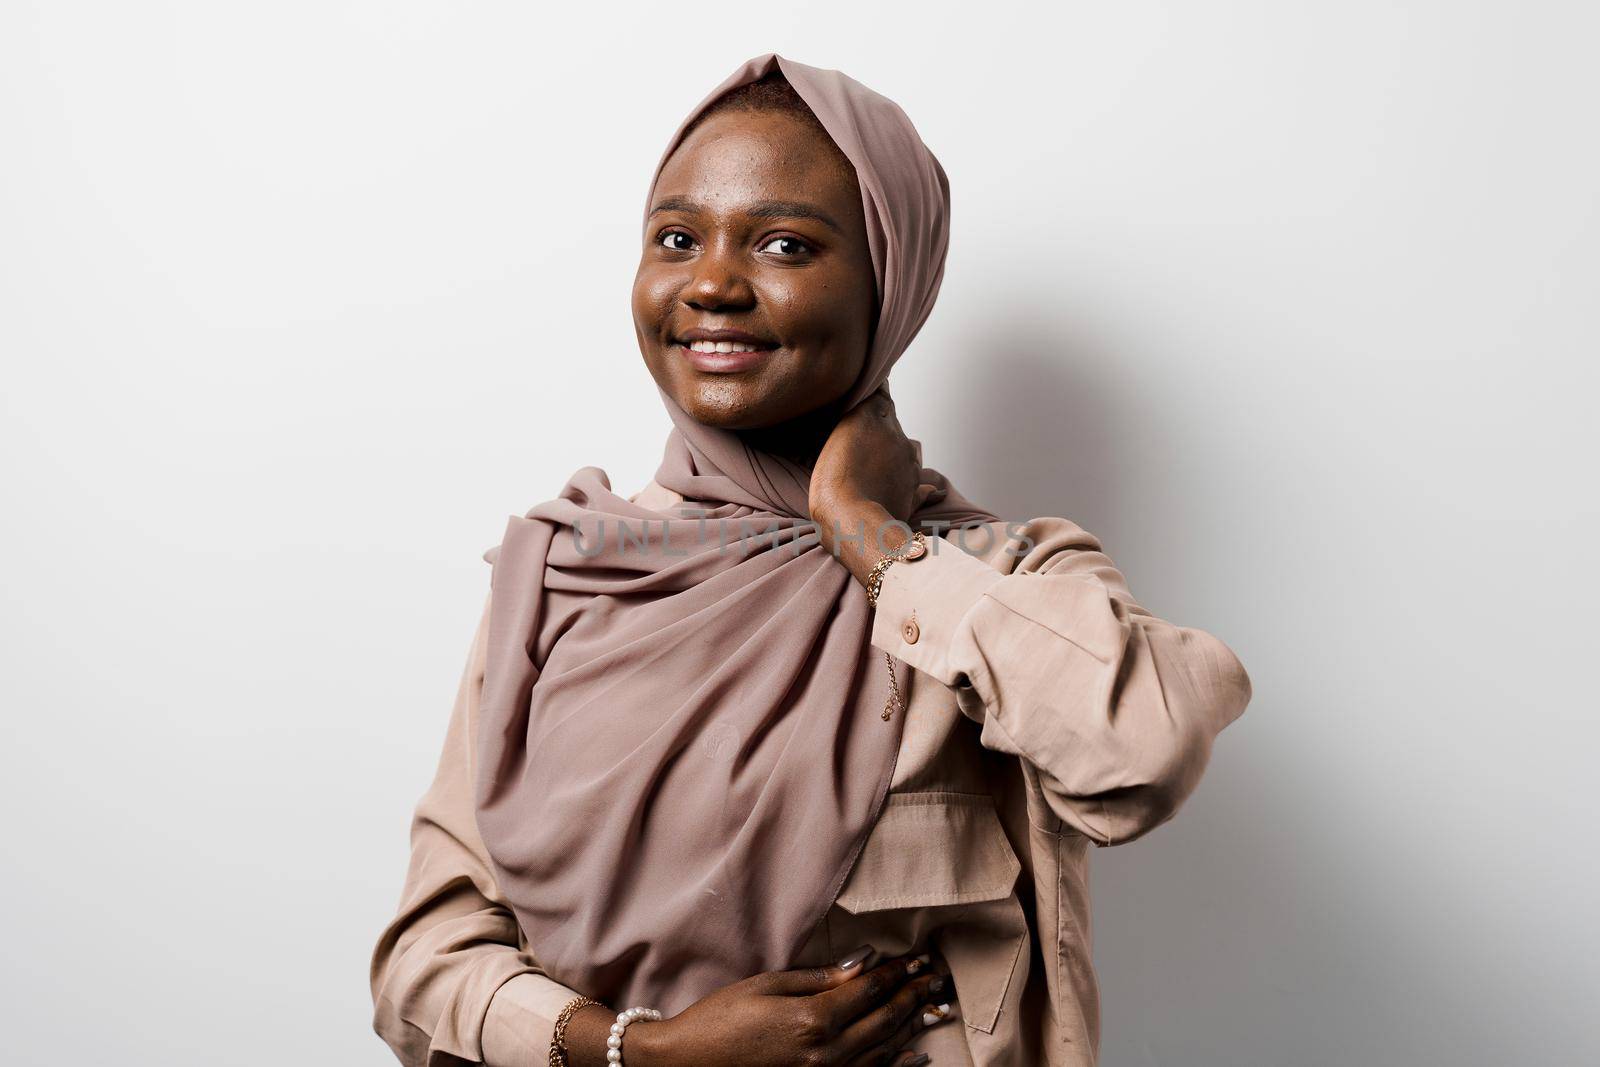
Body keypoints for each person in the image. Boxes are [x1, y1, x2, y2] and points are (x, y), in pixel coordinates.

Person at [369, 53, 1252, 1067]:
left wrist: (869, 539)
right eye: (676, 238)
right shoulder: (563, 573)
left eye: (785, 243)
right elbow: (422, 962)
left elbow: (1143, 752)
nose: (710, 283)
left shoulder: (995, 575)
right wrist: (644, 1048)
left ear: (893, 281)